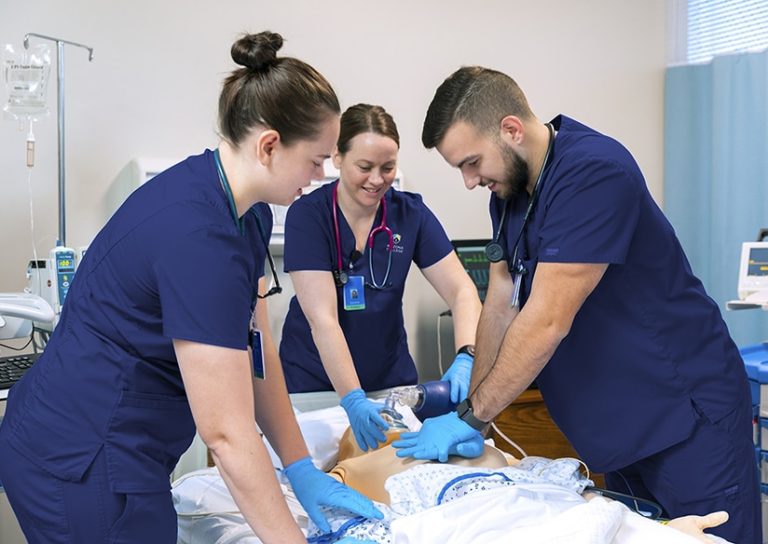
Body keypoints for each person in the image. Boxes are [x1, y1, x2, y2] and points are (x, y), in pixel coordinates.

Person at [0, 31, 380, 544]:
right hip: (79, 460)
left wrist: (299, 467)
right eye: (316, 161)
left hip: (116, 447)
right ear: (269, 145)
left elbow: (256, 348)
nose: (322, 175)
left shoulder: (246, 215)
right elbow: (224, 435)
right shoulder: (200, 238)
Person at [392, 66, 760, 544]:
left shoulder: (593, 172)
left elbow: (546, 321)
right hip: (620, 425)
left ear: (511, 129)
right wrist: (471, 413)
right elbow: (500, 302)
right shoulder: (510, 193)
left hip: (684, 416)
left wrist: (475, 418)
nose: (468, 180)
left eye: (472, 162)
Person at [280, 103, 483, 451]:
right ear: (338, 157)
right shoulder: (308, 217)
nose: (377, 180)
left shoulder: (410, 214)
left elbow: (463, 291)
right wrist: (353, 400)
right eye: (365, 167)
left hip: (391, 386)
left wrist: (467, 355)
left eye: (388, 167)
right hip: (315, 388)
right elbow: (323, 320)